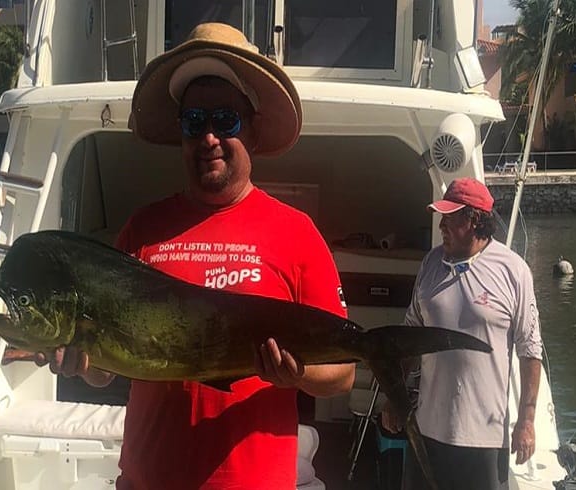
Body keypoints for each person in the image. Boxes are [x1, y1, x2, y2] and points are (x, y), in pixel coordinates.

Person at [38, 23, 354, 490]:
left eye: (225, 120)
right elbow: (109, 369)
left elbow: (343, 374)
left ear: (253, 131)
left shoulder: (297, 233)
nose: (208, 137)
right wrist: (82, 362)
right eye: (193, 122)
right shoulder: (142, 229)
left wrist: (298, 372)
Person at [381, 177, 543, 490]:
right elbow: (411, 338)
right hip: (426, 431)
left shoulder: (513, 270)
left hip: (484, 438)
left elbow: (530, 350)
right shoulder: (430, 263)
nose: (441, 225)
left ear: (475, 220)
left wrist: (527, 421)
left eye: (450, 218)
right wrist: (394, 398)